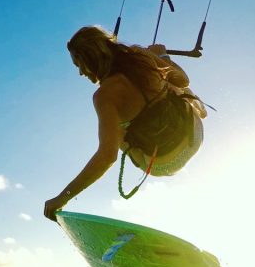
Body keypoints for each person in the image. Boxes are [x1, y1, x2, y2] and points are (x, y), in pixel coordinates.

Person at [43, 25, 206, 221]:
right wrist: (161, 56)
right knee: (169, 86)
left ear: (91, 57)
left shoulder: (104, 96)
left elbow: (107, 156)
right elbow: (183, 80)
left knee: (117, 129)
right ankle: (197, 107)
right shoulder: (140, 55)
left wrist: (63, 198)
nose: (80, 72)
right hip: (194, 136)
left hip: (162, 164)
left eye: (79, 64)